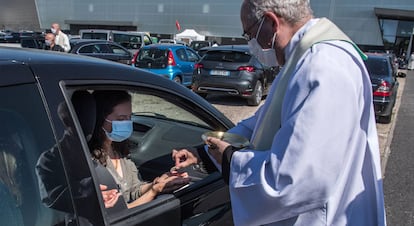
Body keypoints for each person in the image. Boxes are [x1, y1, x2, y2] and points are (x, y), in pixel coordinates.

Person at [172, 0, 386, 225]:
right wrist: (207, 150)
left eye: (250, 34)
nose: (251, 44)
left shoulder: (322, 65)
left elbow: (295, 180)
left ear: (272, 22)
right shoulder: (303, 59)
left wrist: (231, 159)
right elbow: (263, 121)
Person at [89, 90, 190, 209]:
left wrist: (157, 183)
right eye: (121, 119)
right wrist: (153, 191)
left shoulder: (118, 150)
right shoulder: (90, 160)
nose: (127, 123)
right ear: (100, 119)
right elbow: (119, 212)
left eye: (129, 117)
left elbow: (132, 190)